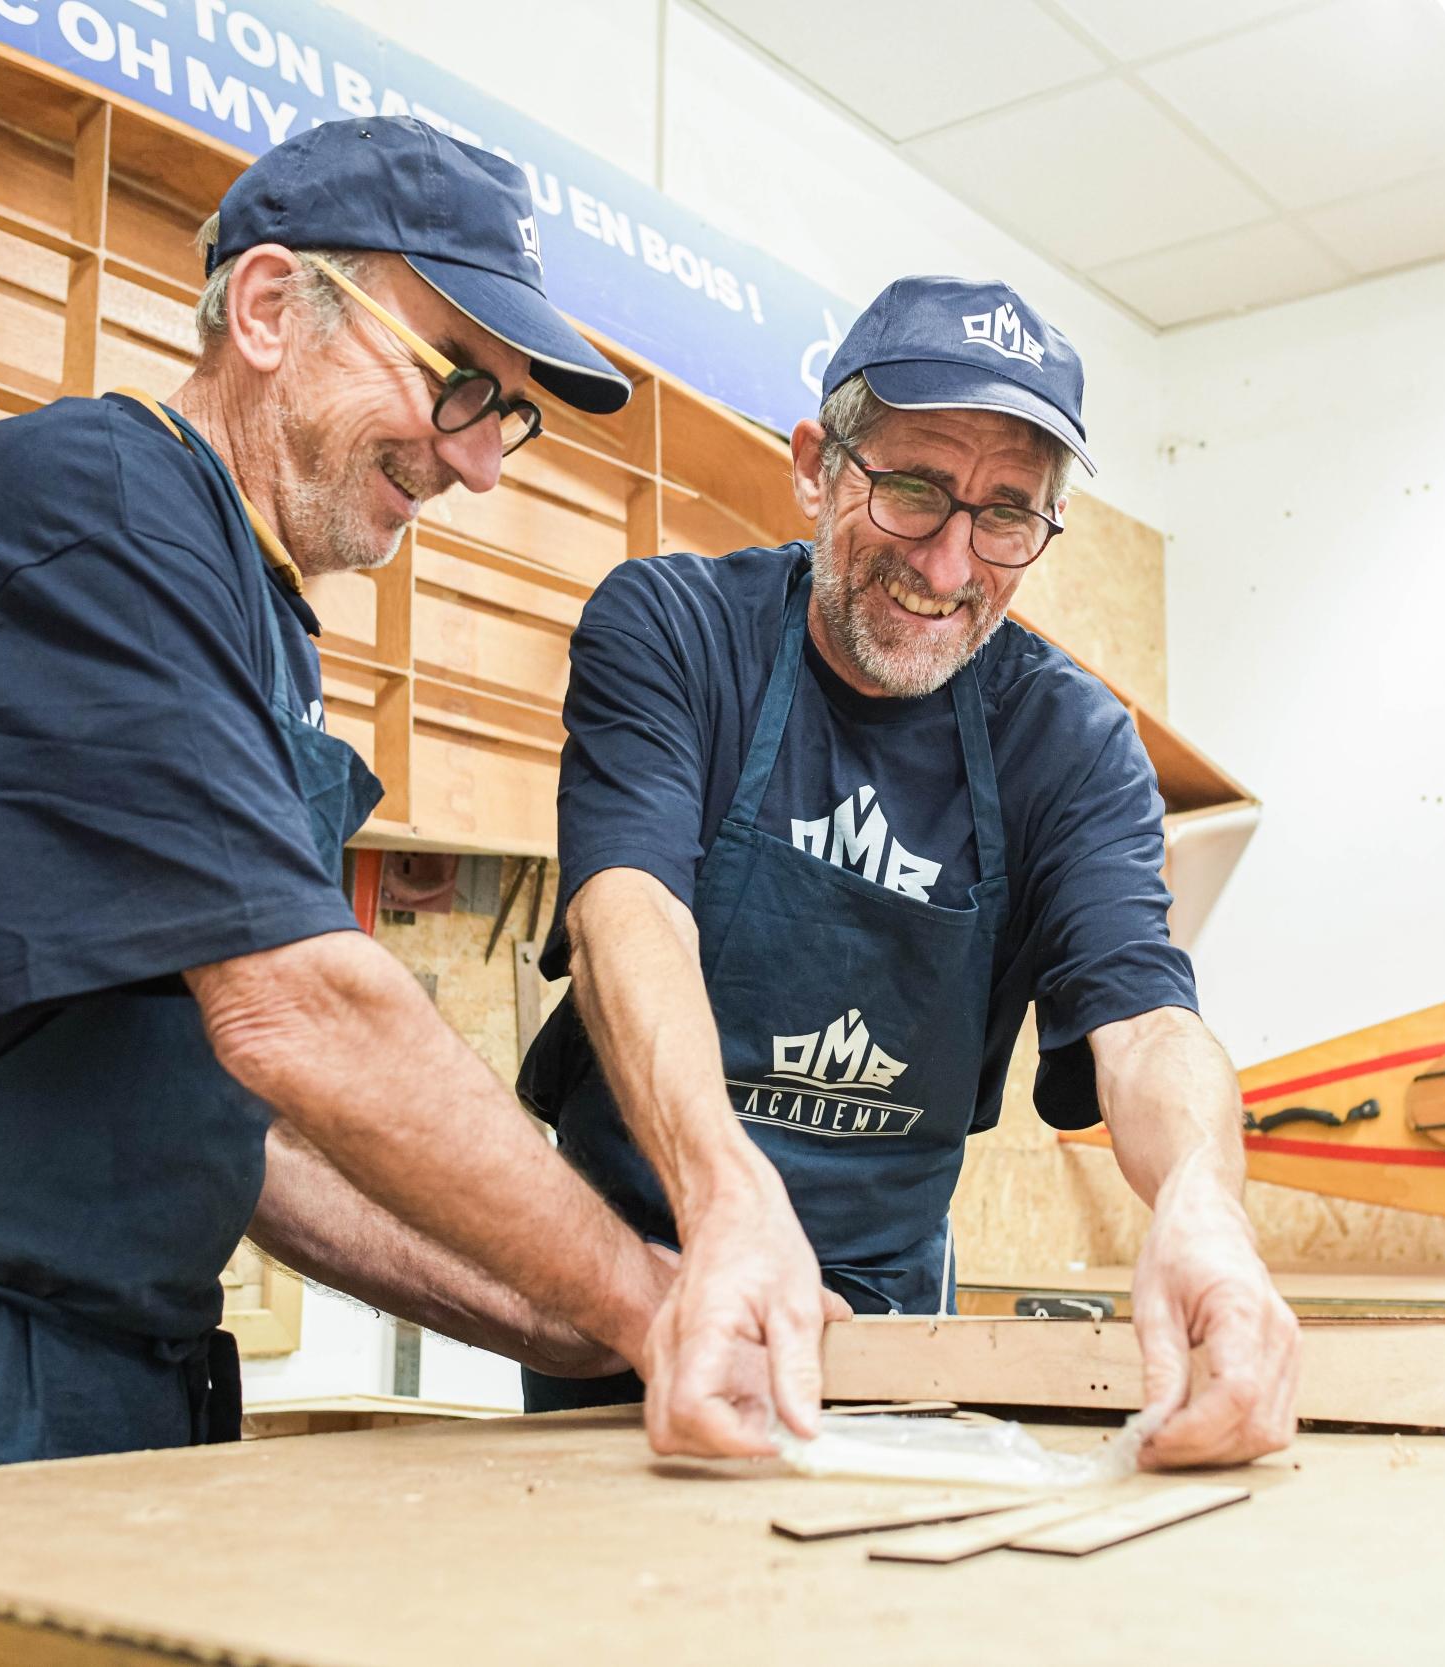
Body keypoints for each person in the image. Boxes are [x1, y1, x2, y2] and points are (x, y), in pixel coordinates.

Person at [0, 117, 675, 1494]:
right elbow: (297, 1009)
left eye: (505, 412)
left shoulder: (262, 619)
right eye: (459, 385)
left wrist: (582, 1325)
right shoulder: (89, 518)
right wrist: (647, 1293)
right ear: (268, 309)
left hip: (84, 1365)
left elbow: (223, 1128)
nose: (480, 464)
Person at [516, 276, 1300, 1469]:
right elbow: (632, 913)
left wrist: (1203, 1201)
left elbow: (1140, 1019)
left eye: (1005, 516)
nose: (947, 564)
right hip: (639, 1278)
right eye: (912, 489)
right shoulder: (677, 630)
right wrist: (725, 1198)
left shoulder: (1069, 744)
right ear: (816, 465)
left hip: (885, 1327)